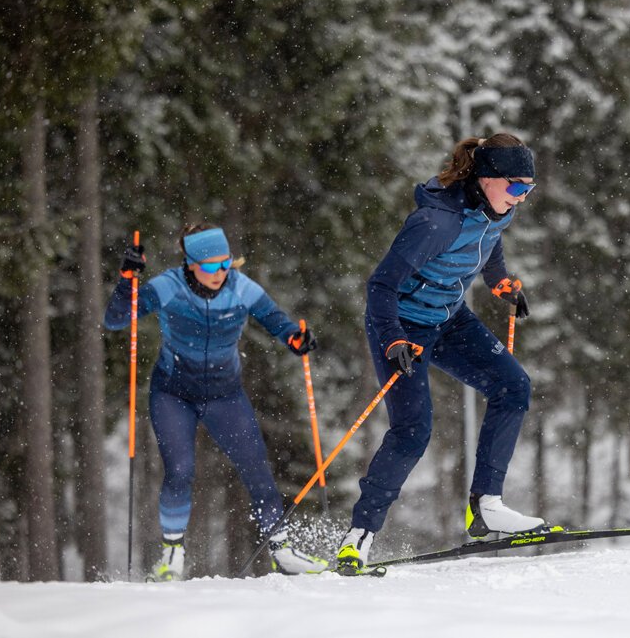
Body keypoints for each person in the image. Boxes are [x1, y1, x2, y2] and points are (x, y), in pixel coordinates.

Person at [336, 133, 544, 574]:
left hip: (449, 318)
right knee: (413, 431)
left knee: (513, 386)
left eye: (529, 188)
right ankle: (358, 536)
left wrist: (499, 281)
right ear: (486, 177)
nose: (522, 197)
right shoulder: (435, 223)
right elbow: (381, 285)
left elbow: (490, 240)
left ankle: (486, 506)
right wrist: (393, 338)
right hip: (402, 325)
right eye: (516, 186)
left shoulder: (498, 208)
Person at [104, 224, 328, 581]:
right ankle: (172, 554)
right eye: (210, 266)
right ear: (191, 263)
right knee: (180, 471)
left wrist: (295, 339)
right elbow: (116, 319)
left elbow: (276, 322)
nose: (219, 272)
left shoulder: (241, 287)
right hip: (173, 393)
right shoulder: (169, 286)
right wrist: (127, 279)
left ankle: (282, 551)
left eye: (225, 263)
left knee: (256, 467)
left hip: (225, 395)